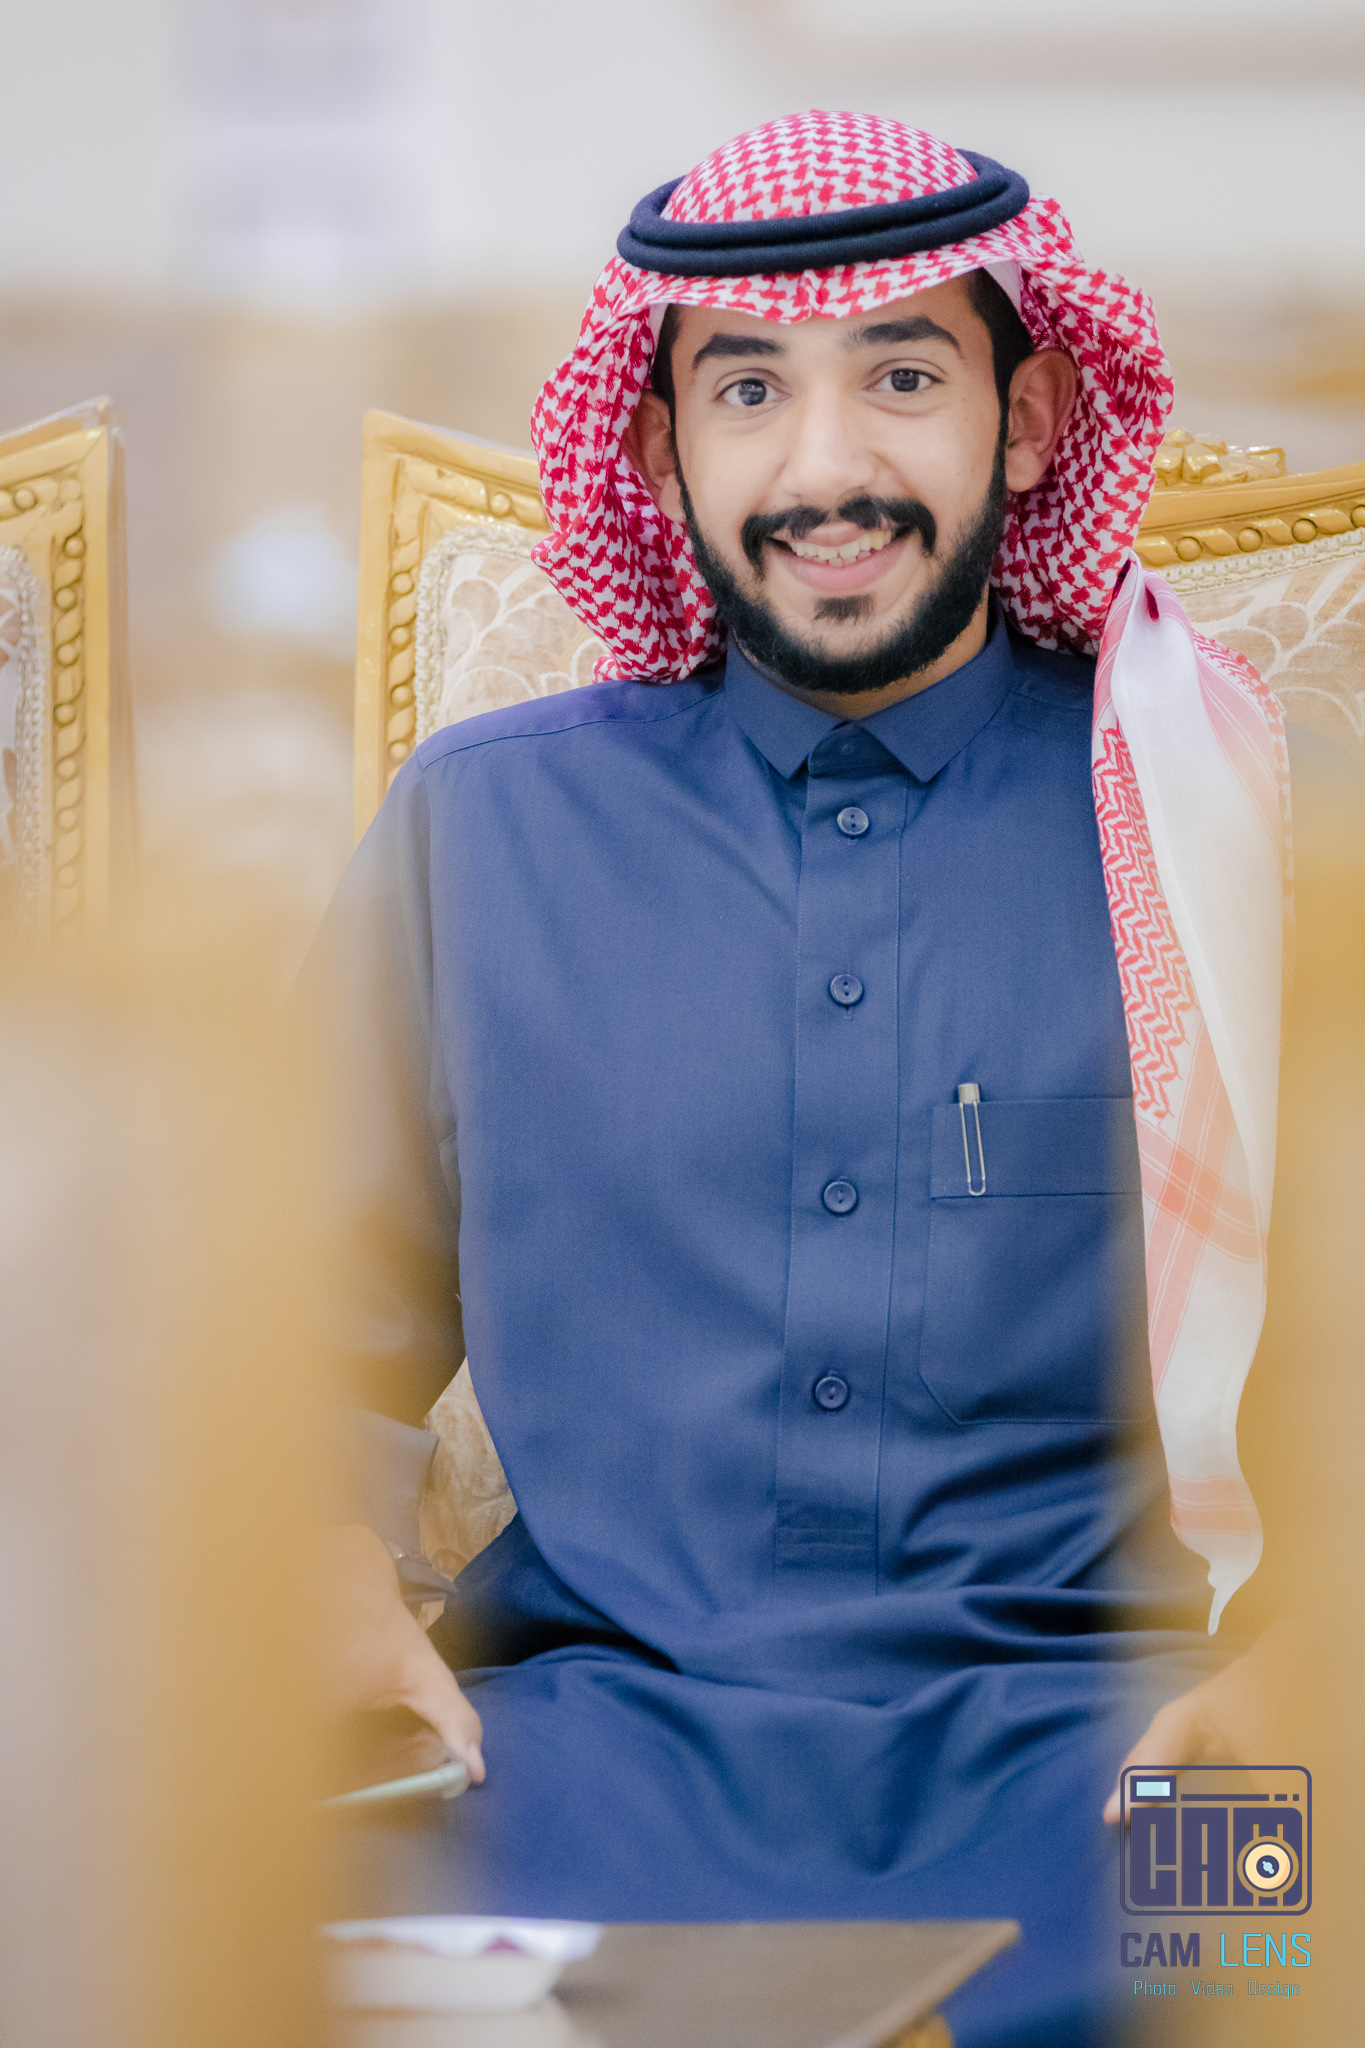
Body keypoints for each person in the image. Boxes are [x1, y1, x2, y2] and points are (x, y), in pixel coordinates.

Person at [313, 113, 1318, 2047]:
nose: (824, 468)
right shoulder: (483, 831)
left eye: (903, 379)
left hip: (1136, 1751)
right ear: (657, 449)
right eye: (749, 390)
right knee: (259, 1943)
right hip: (575, 1748)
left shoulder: (1220, 830)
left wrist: (1311, 1676)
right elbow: (269, 1333)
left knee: (1278, 1967)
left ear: (1028, 422)